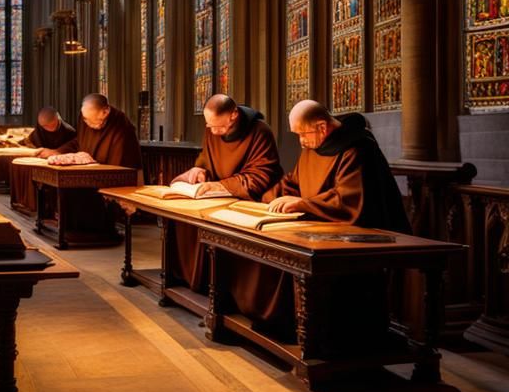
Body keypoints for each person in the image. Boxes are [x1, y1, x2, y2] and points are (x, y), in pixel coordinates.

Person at [226, 100, 410, 346]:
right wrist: (266, 200)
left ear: (322, 127)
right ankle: (275, 322)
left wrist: (301, 204)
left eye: (303, 134)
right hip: (319, 229)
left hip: (356, 239)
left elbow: (349, 200)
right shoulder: (315, 146)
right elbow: (293, 181)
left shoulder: (357, 149)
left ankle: (323, 338)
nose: (301, 141)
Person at [166, 95, 282, 290]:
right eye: (209, 126)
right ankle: (192, 280)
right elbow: (206, 158)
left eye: (218, 127)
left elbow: (261, 176)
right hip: (216, 197)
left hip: (250, 199)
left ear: (233, 115)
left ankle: (226, 291)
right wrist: (199, 169)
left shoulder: (260, 132)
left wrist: (222, 186)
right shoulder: (212, 129)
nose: (213, 132)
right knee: (184, 220)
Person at [37, 94, 142, 235]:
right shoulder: (85, 118)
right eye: (85, 119)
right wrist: (57, 152)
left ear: (105, 112)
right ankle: (71, 229)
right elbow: (78, 142)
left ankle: (95, 231)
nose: (88, 124)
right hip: (85, 170)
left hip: (108, 176)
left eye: (93, 121)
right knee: (67, 190)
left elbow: (123, 162)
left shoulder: (122, 126)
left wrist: (100, 173)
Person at [10, 107, 76, 213]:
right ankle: (26, 203)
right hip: (40, 161)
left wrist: (54, 152)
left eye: (50, 125)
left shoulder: (68, 131)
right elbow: (30, 142)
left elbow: (72, 148)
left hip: (59, 165)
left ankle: (50, 209)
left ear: (57, 120)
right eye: (44, 126)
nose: (47, 128)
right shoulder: (40, 130)